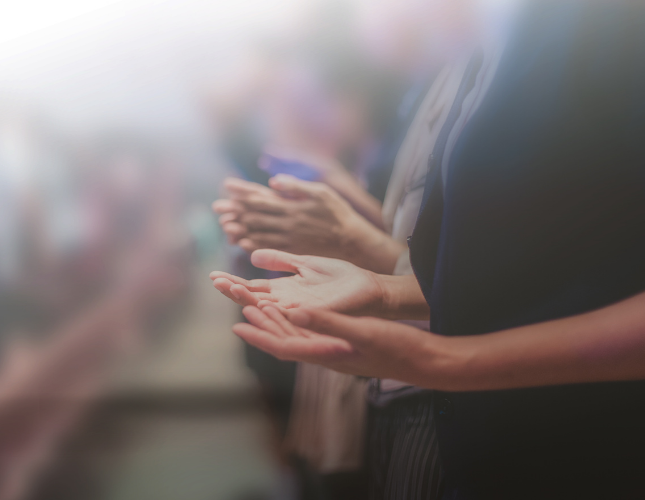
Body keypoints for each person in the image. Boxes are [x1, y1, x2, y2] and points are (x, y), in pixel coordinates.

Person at [210, 0, 645, 498]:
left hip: (582, 448)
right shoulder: (485, 56)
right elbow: (514, 266)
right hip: (481, 440)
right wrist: (386, 291)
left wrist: (437, 358)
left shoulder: (601, 25)